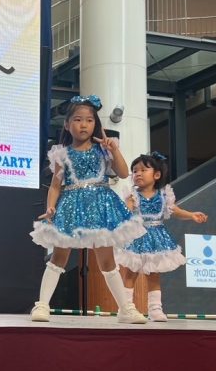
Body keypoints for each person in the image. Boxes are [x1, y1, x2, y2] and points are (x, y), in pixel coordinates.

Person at [30, 95, 147, 324]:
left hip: (101, 207)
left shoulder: (104, 149)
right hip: (71, 206)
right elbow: (55, 185)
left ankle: (125, 308)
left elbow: (124, 173)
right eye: (77, 119)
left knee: (107, 260)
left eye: (89, 120)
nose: (83, 124)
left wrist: (114, 150)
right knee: (59, 255)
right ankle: (42, 305)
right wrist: (51, 207)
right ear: (67, 124)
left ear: (95, 124)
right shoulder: (62, 153)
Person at [115, 153, 207, 323]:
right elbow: (124, 213)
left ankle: (155, 309)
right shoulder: (132, 195)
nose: (138, 173)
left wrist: (191, 215)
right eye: (134, 171)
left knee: (154, 274)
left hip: (157, 238)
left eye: (143, 170)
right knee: (131, 273)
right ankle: (125, 307)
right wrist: (128, 208)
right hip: (137, 236)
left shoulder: (164, 195)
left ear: (156, 175)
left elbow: (175, 211)